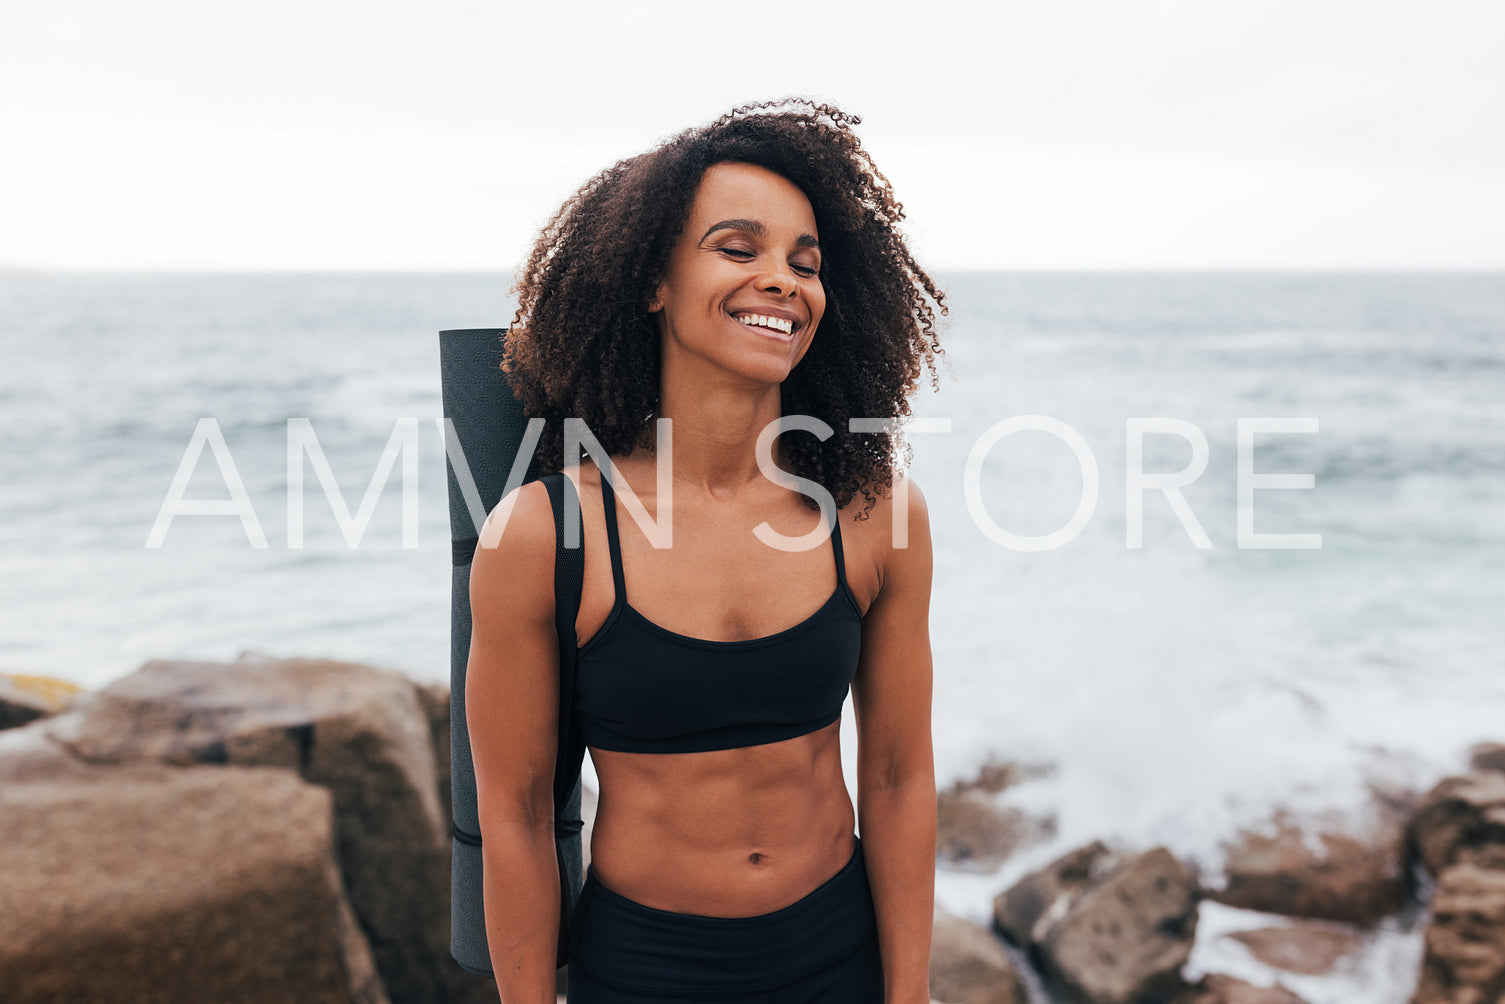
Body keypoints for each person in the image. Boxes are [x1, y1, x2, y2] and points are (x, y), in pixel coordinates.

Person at [466, 99, 945, 1003]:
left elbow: (895, 776)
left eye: (805, 264)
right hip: (645, 972)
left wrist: (909, 992)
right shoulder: (544, 535)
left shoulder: (876, 517)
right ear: (652, 280)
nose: (783, 282)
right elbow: (520, 817)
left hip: (835, 957)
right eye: (739, 250)